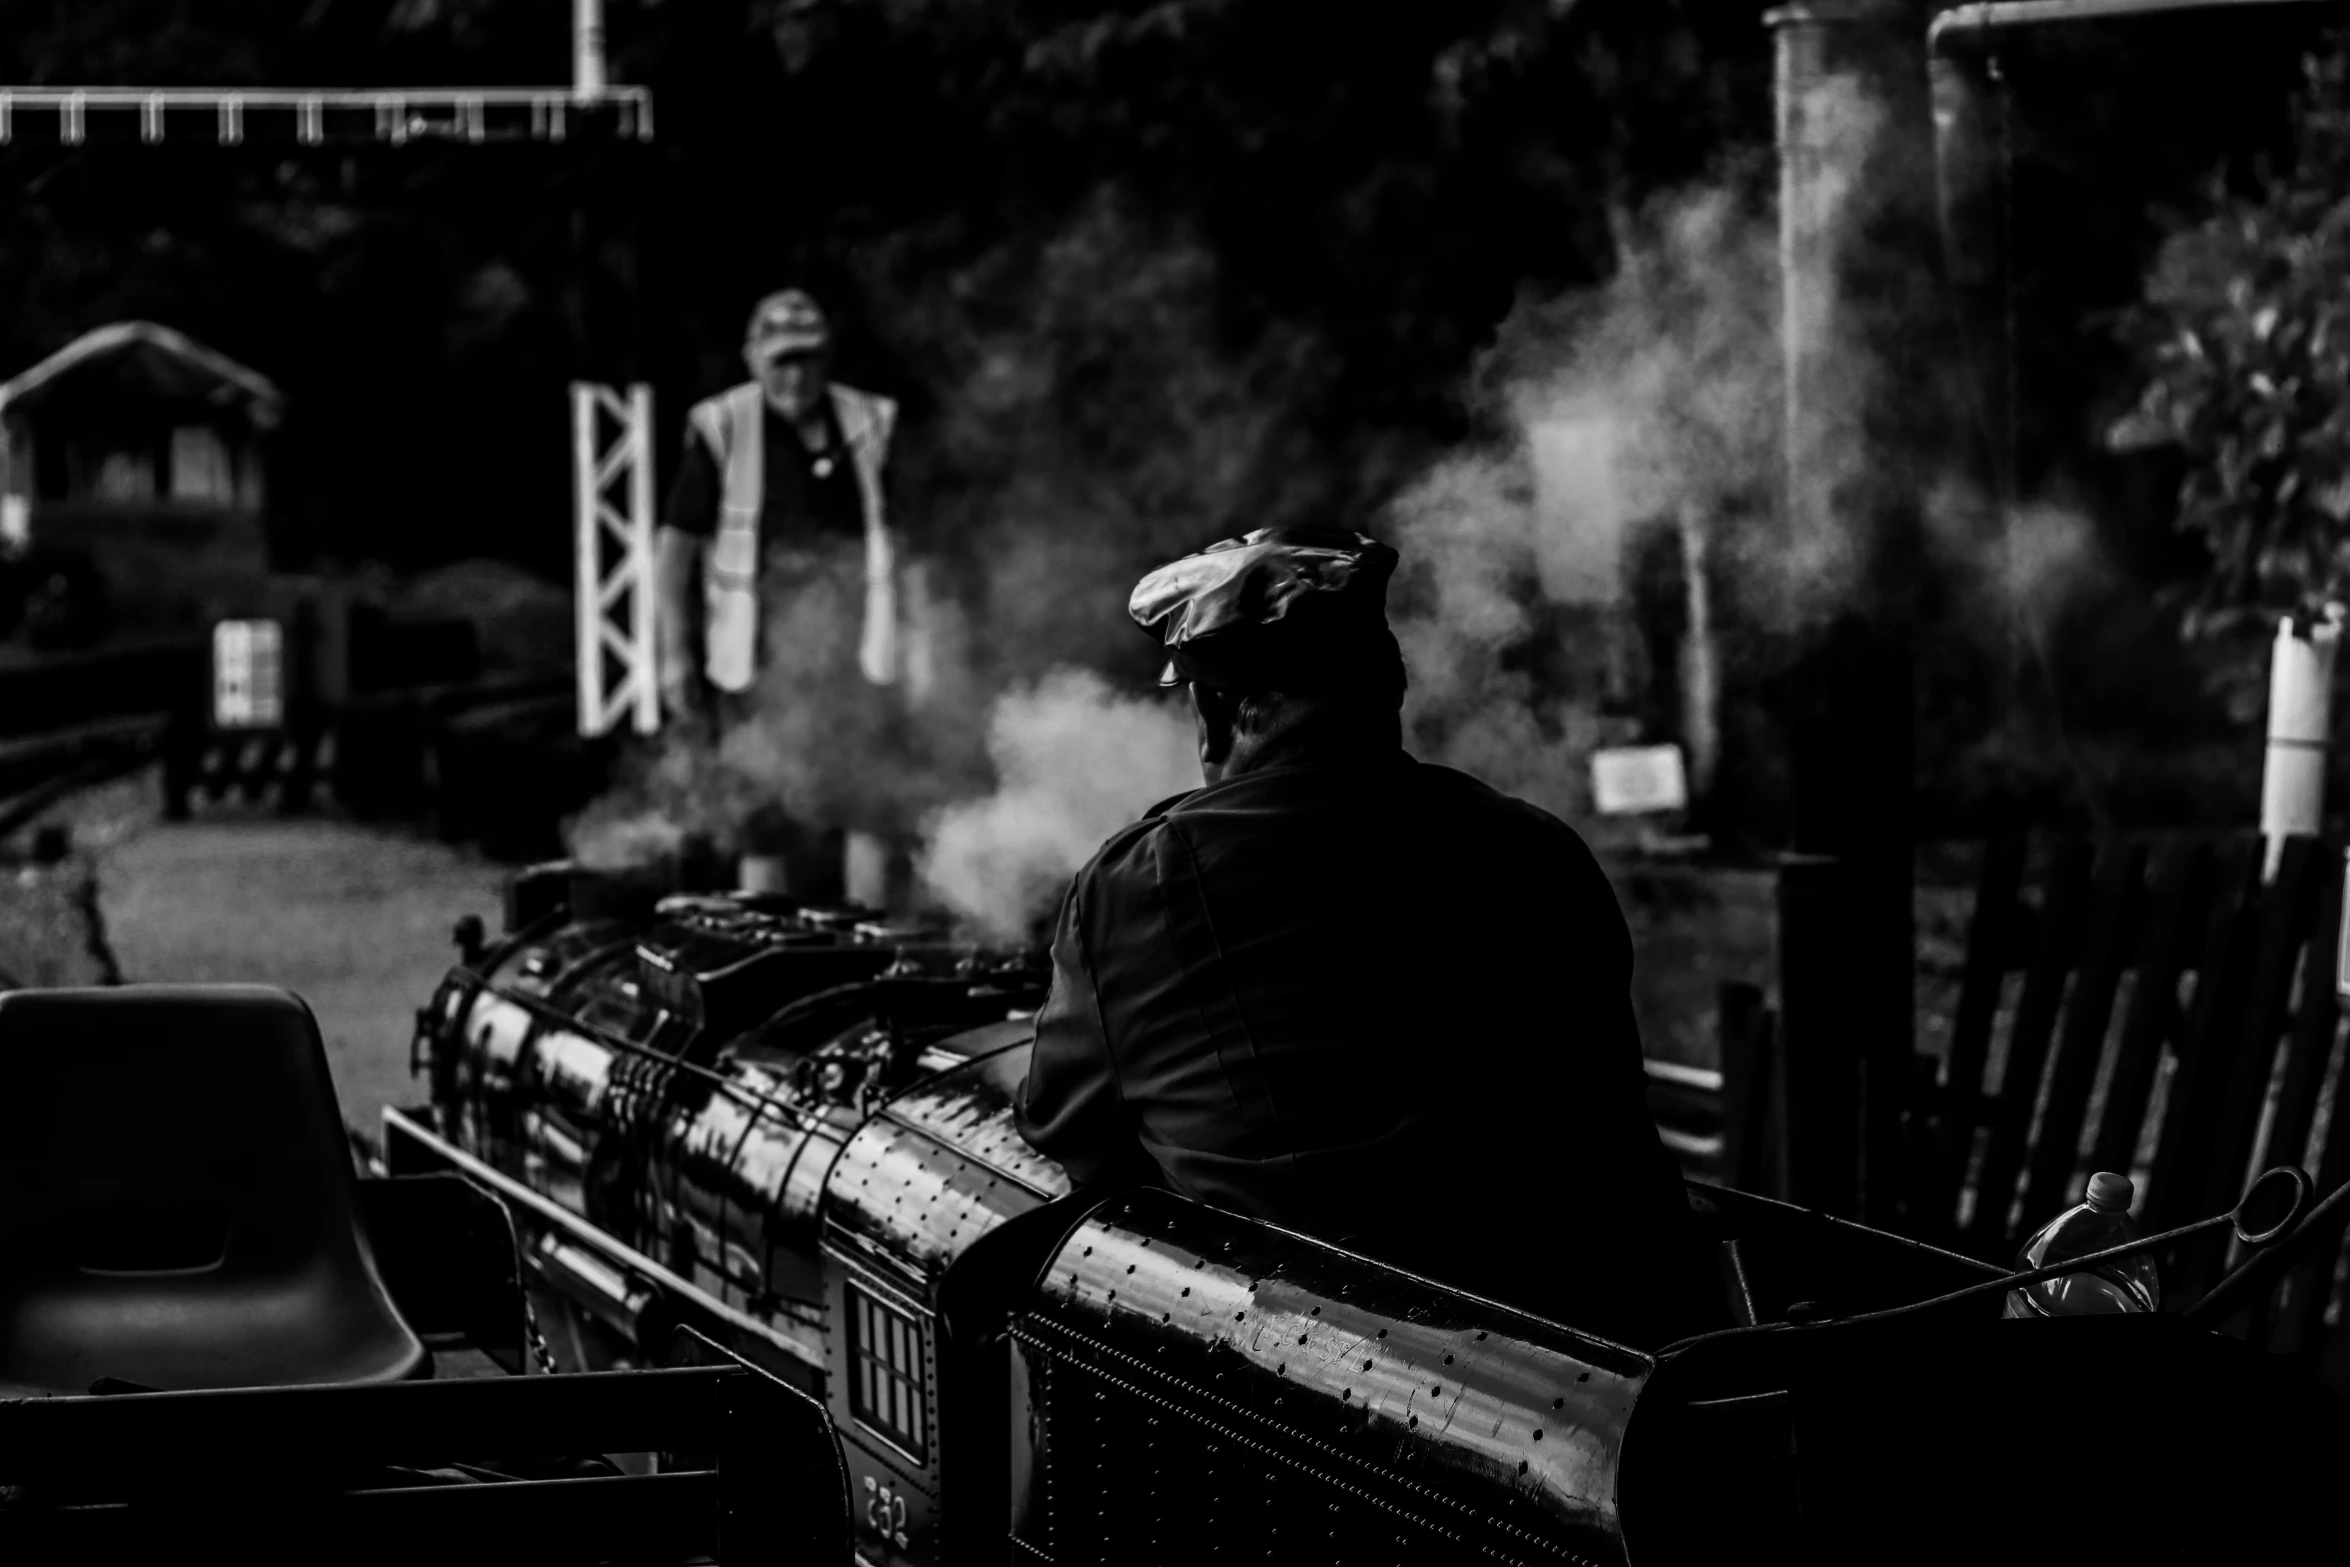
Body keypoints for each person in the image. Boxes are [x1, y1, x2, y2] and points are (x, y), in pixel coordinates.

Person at [1015, 526, 1706, 1345]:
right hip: (1592, 1343)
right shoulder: (1538, 847)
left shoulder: (1136, 883)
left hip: (1306, 1376)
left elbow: (1075, 1138)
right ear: (1388, 697)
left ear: (1215, 710)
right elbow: (1611, 1123)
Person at [655, 288, 904, 901]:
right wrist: (674, 654)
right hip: (754, 663)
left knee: (870, 811)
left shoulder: (871, 420)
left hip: (860, 657)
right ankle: (769, 960)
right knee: (761, 823)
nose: (798, 375)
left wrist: (922, 646)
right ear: (752, 358)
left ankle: (864, 964)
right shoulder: (724, 424)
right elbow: (672, 554)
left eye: (810, 358)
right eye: (783, 361)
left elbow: (907, 544)